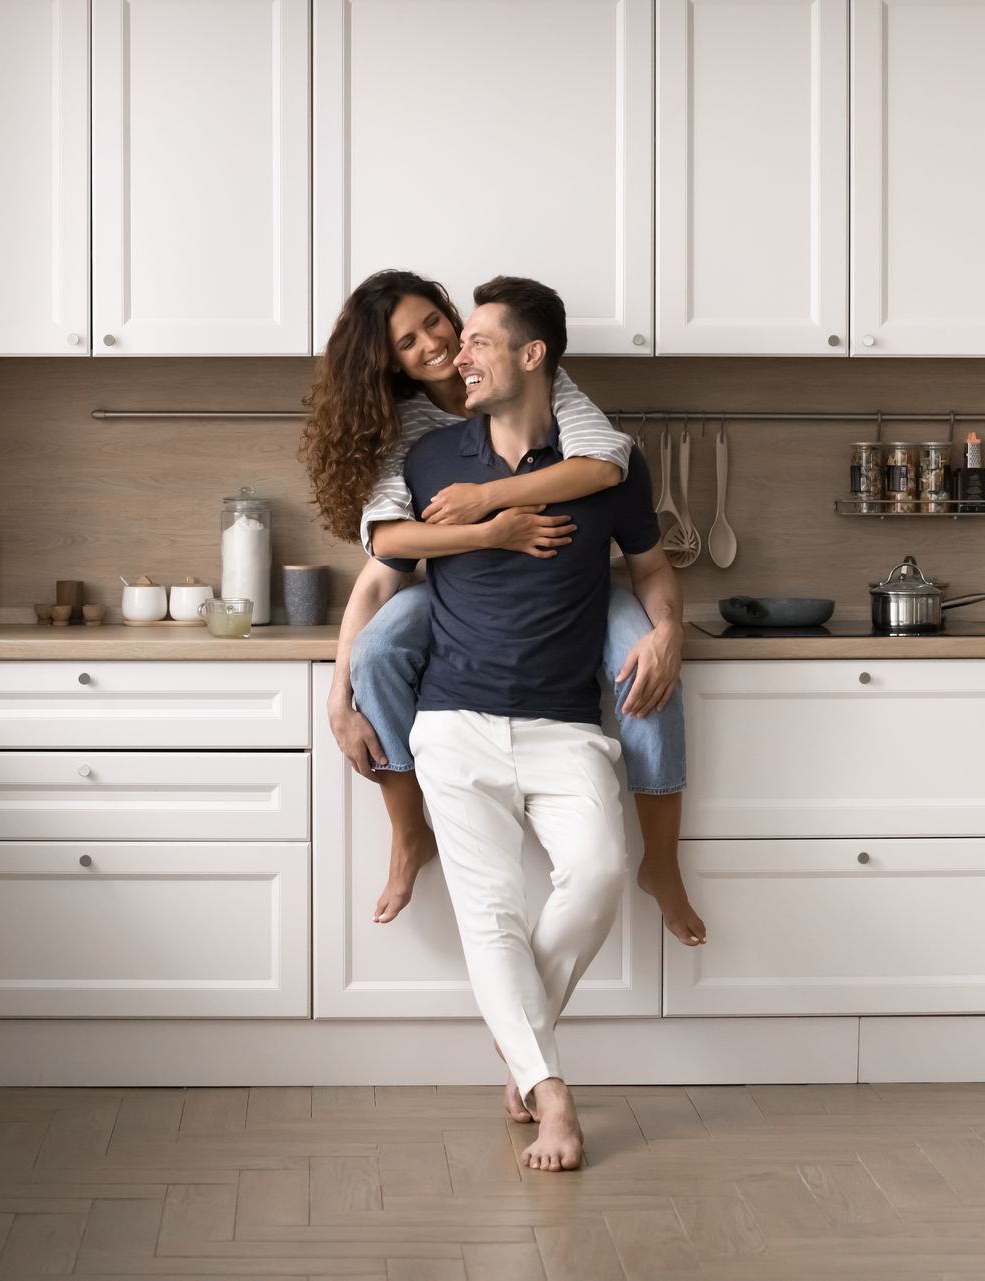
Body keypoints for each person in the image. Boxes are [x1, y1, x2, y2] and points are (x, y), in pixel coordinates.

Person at [300, 270, 705, 948]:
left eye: (438, 322)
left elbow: (605, 465)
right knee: (375, 653)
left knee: (649, 665)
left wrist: (491, 498)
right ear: (388, 362)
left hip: (574, 585)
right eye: (408, 340)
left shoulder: (534, 375)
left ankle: (660, 862)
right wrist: (336, 697)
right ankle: (409, 833)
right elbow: (386, 551)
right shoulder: (412, 436)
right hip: (459, 583)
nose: (436, 345)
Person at [379, 275, 677, 1172]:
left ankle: (520, 1046)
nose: (456, 356)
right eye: (452, 341)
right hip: (454, 719)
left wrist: (667, 631)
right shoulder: (433, 459)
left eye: (475, 341)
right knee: (489, 912)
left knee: (602, 870)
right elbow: (383, 552)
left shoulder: (605, 459)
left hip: (564, 723)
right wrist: (481, 523)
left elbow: (655, 568)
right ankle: (554, 1101)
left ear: (532, 354)